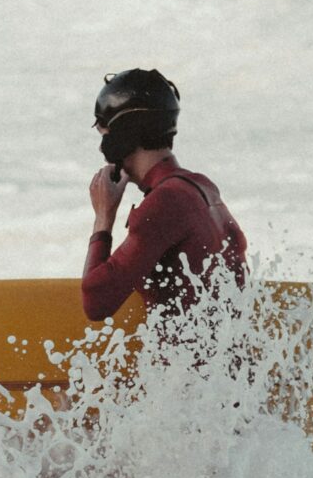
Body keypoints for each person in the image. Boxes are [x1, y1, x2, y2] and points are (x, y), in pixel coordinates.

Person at [81, 68, 247, 322]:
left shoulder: (164, 203)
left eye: (104, 137)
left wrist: (104, 216)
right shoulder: (203, 188)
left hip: (182, 363)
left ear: (121, 136)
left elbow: (96, 302)